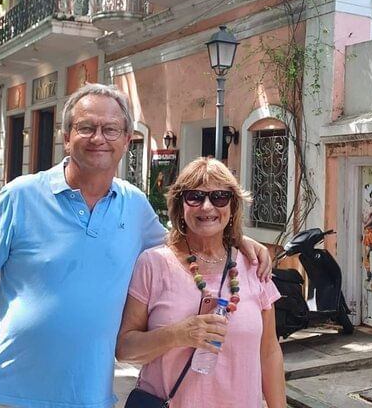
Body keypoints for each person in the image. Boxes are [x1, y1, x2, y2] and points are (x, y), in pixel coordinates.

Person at [0, 84, 271, 408]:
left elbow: (184, 241)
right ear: (67, 137)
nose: (98, 138)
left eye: (110, 129)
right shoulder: (20, 196)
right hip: (8, 394)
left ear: (126, 139)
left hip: (91, 398)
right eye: (86, 127)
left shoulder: (134, 206)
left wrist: (237, 239)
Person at [116, 157, 285, 408]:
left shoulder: (253, 265)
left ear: (233, 206)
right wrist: (177, 335)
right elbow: (125, 349)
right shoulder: (153, 264)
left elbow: (269, 352)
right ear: (180, 206)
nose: (207, 207)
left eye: (219, 197)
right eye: (194, 197)